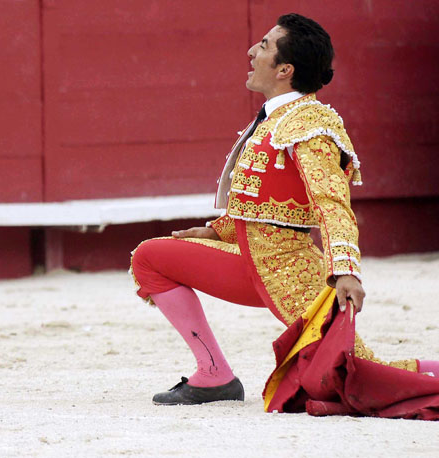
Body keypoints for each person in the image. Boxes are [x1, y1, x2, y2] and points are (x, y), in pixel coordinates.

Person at [129, 13, 439, 405]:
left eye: (263, 46)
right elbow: (271, 197)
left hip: (289, 271)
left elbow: (332, 201)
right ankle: (213, 375)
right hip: (250, 261)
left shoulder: (309, 125)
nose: (251, 51)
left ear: (284, 69)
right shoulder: (278, 118)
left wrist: (344, 270)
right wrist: (220, 230)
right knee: (150, 258)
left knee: (358, 372)